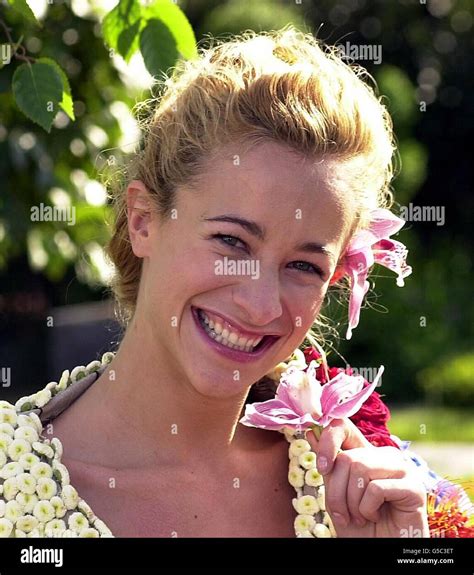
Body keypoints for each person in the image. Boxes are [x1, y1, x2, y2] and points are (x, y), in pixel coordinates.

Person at [1, 26, 471, 539]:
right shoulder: (11, 486)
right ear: (142, 220)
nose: (260, 304)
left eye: (303, 266)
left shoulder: (390, 498)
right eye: (231, 242)